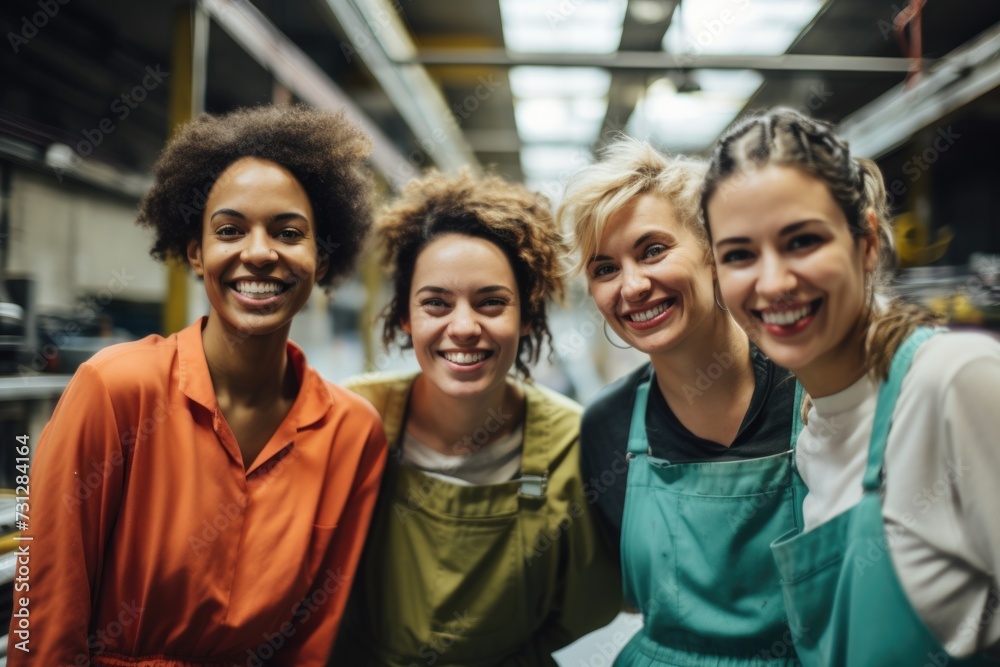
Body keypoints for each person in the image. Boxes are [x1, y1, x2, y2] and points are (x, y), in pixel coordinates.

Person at [9, 105, 387, 667]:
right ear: (195, 251)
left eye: (288, 233)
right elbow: (44, 611)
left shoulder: (353, 434)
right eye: (230, 230)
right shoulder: (115, 390)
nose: (258, 252)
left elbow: (314, 641)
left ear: (322, 258)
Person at [703, 107, 1000, 665]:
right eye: (739, 254)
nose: (773, 282)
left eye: (802, 241)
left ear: (864, 243)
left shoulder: (953, 381)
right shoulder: (815, 426)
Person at [329, 168, 621, 666]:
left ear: (527, 317)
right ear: (405, 317)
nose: (463, 327)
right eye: (436, 304)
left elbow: (589, 601)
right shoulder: (348, 421)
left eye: (491, 303)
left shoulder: (575, 444)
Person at [558, 139, 802, 665]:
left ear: (714, 254)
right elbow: (625, 593)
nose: (633, 286)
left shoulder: (811, 394)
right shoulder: (609, 426)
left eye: (653, 250)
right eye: (604, 269)